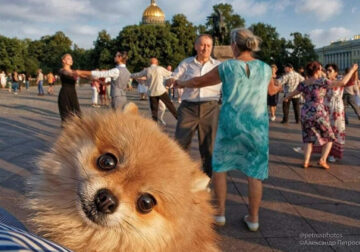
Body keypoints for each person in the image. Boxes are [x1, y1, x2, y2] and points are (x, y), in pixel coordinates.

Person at [175, 28, 280, 231]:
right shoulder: (266, 68)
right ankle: (253, 218)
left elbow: (198, 82)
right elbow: (271, 90)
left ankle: (220, 214)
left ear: (233, 45)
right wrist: (277, 88)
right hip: (256, 127)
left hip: (230, 124)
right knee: (255, 173)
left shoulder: (228, 67)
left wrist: (180, 82)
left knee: (220, 169)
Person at [284, 61, 358, 169]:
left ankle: (306, 161)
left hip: (305, 113)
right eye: (321, 69)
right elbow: (342, 82)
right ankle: (322, 160)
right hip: (319, 113)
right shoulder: (322, 81)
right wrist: (352, 70)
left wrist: (285, 98)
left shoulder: (303, 83)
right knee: (330, 137)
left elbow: (293, 93)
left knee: (308, 138)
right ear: (317, 70)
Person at [166, 34, 221, 179]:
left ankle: (207, 178)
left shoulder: (218, 65)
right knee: (180, 144)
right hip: (188, 107)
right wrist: (171, 80)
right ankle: (178, 177)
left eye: (208, 45)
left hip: (210, 107)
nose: (205, 48)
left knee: (209, 146)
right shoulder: (187, 63)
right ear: (196, 46)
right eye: (202, 45)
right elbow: (175, 76)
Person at [312, 64, 345, 163]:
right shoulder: (324, 81)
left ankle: (333, 154)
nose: (327, 72)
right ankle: (324, 152)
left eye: (330, 70)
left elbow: (338, 88)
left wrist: (352, 70)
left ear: (336, 72)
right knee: (324, 130)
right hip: (325, 108)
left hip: (336, 109)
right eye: (327, 70)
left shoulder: (339, 81)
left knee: (336, 131)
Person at [131, 58, 177, 122]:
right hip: (161, 91)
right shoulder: (160, 68)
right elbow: (170, 73)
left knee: (154, 110)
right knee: (170, 105)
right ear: (157, 63)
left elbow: (138, 74)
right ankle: (178, 119)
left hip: (152, 92)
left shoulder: (147, 70)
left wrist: (130, 75)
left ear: (150, 63)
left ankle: (155, 125)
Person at [58, 54, 81, 124]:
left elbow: (86, 76)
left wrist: (100, 81)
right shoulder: (62, 70)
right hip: (64, 95)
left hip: (73, 95)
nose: (71, 60)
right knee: (66, 119)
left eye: (71, 59)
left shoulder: (74, 71)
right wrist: (77, 73)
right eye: (68, 58)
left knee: (78, 116)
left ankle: (77, 134)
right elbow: (67, 73)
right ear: (63, 61)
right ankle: (66, 134)